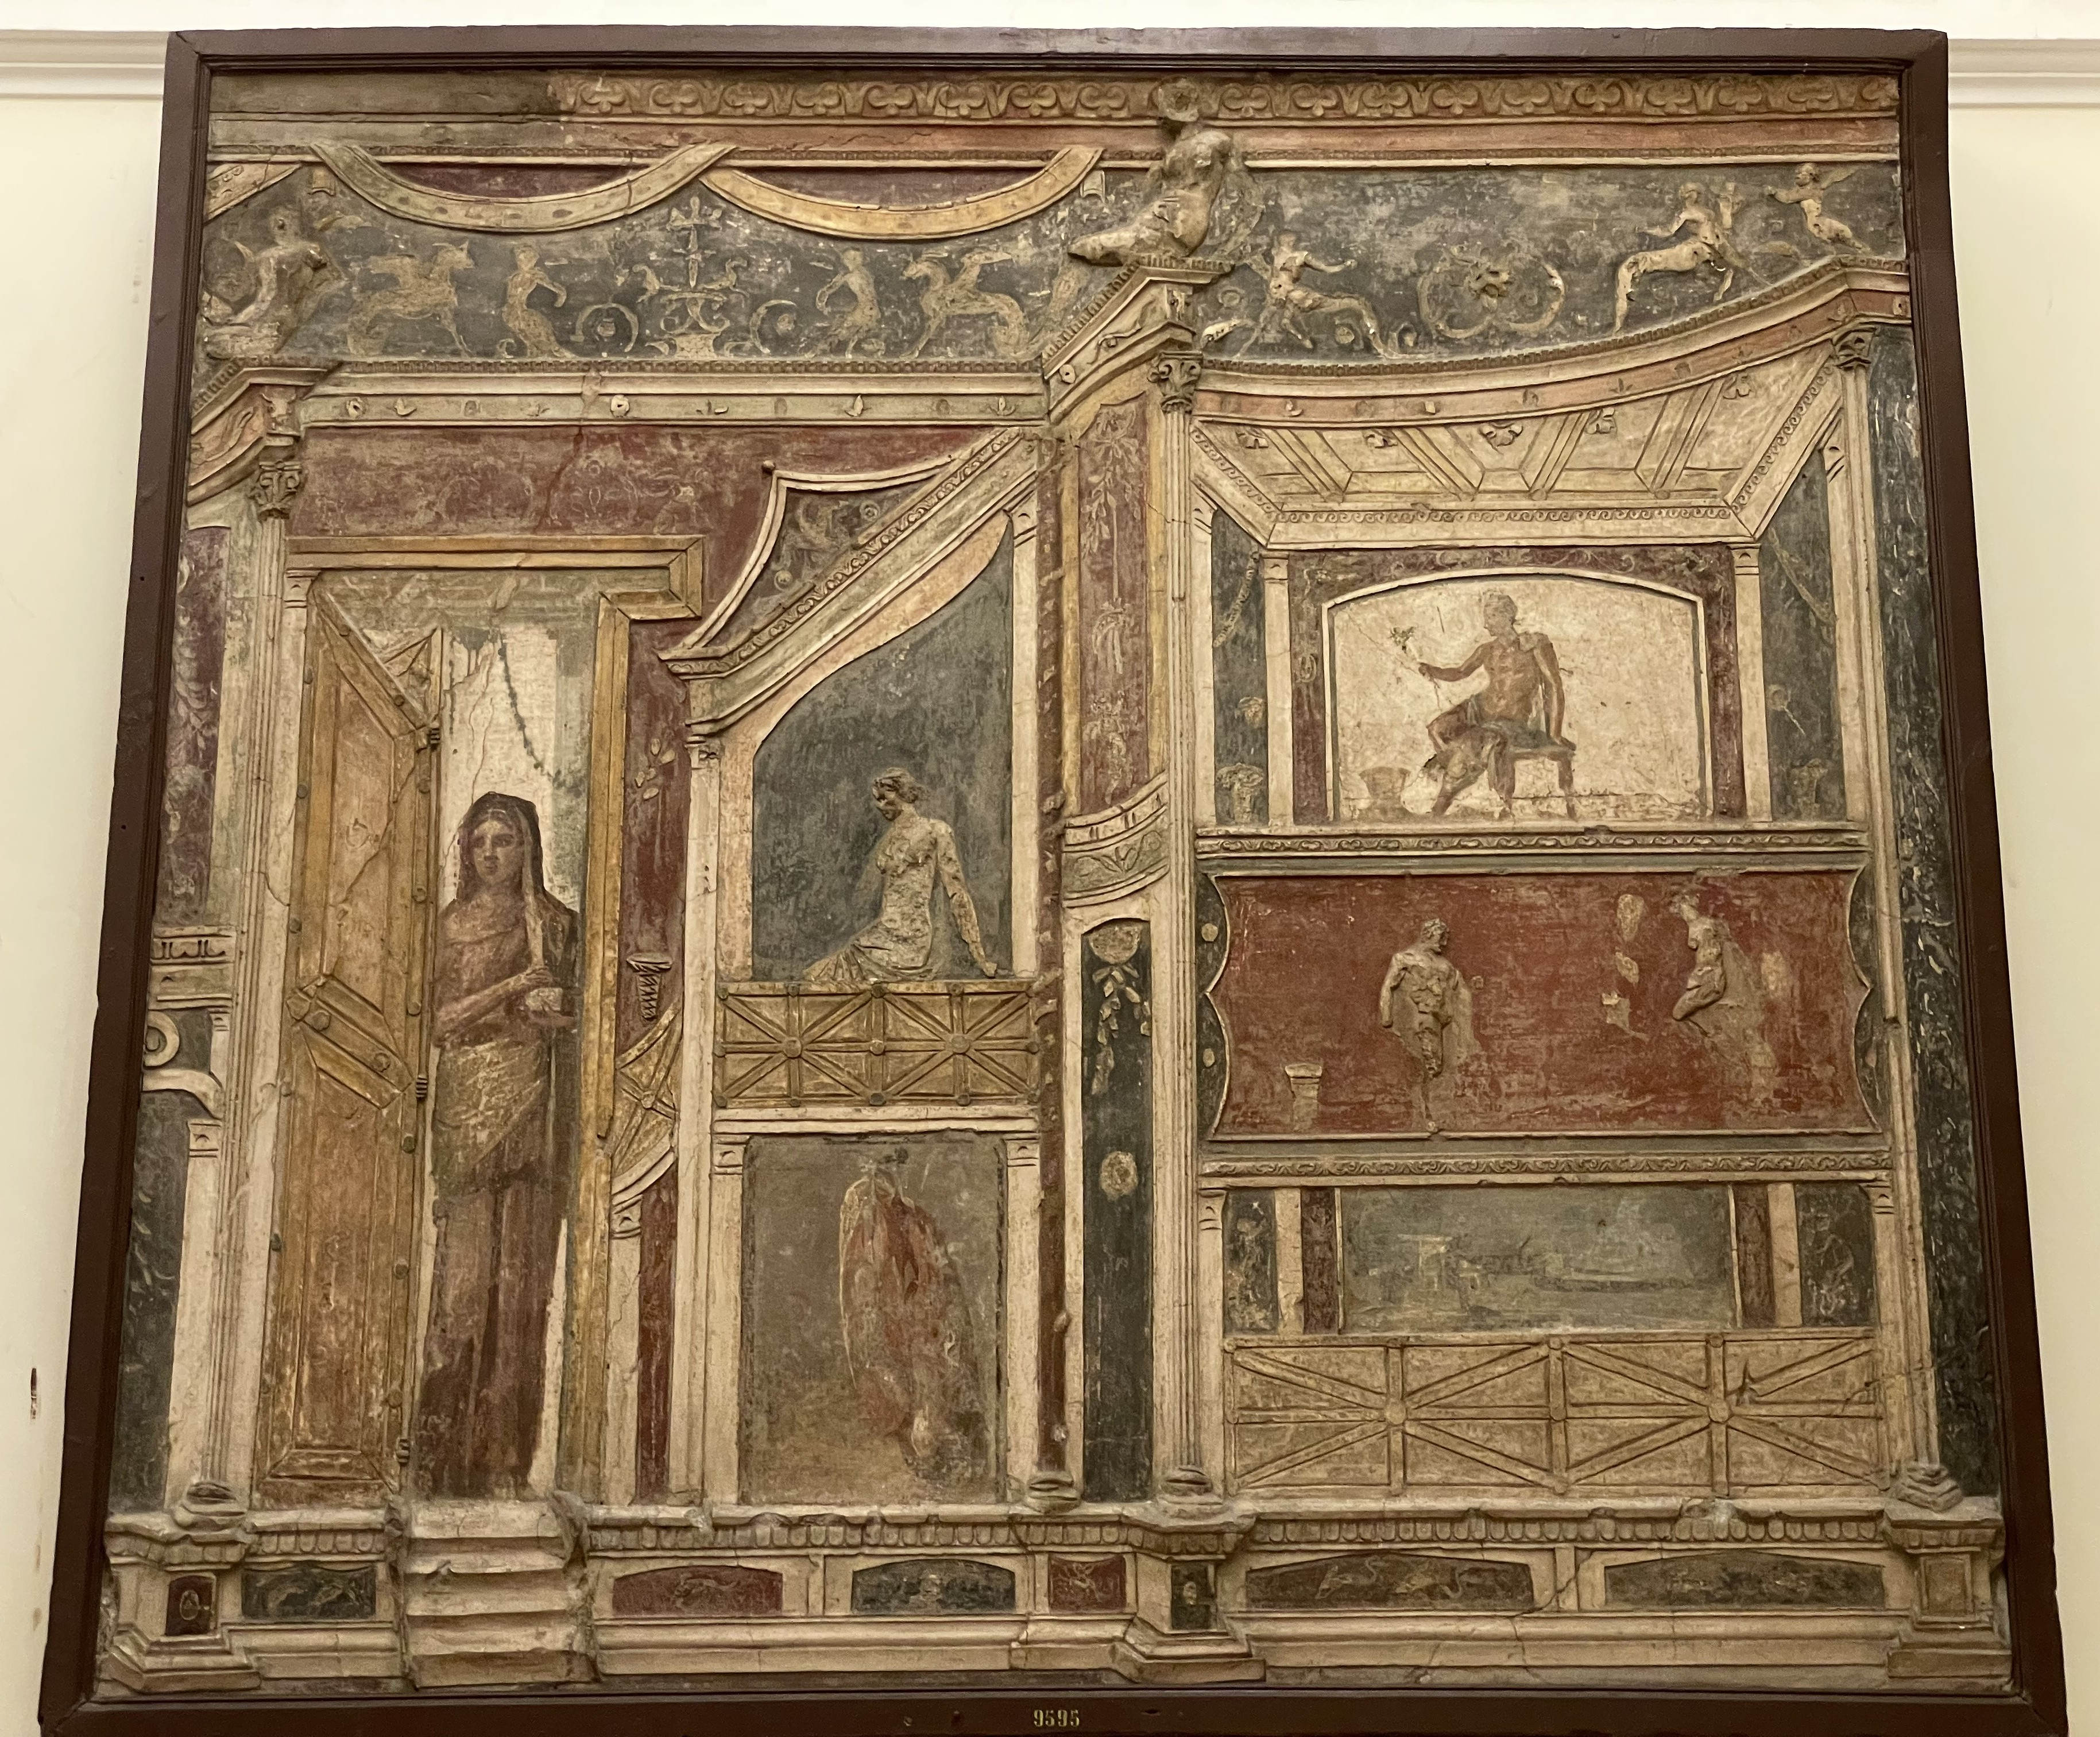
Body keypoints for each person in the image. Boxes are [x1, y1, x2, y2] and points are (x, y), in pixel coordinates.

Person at [412, 792, 577, 1499]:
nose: (490, 854)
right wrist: (516, 986)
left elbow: (576, 1013)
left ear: (527, 848)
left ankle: (505, 1461)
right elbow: (439, 1021)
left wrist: (554, 1011)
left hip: (533, 1110)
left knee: (520, 1294)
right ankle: (439, 1458)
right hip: (467, 1113)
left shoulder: (555, 924)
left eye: (503, 841)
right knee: (461, 1290)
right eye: (479, 842)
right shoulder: (450, 927)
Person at [807, 769, 996, 985]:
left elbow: (957, 892)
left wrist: (977, 952)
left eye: (884, 797)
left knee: (829, 973)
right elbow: (865, 895)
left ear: (902, 793)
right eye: (877, 800)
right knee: (819, 975)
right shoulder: (890, 838)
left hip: (911, 941)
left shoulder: (935, 830)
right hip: (884, 933)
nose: (879, 806)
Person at [1416, 591, 1567, 816]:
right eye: (1486, 617)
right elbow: (1460, 672)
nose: (1487, 624)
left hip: (1512, 721)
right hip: (1478, 709)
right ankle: (1461, 765)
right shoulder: (1487, 650)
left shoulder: (1534, 645)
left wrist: (1554, 733)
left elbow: (1554, 687)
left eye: (1492, 616)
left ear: (1508, 616)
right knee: (1437, 729)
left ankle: (1443, 804)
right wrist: (1432, 670)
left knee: (1471, 744)